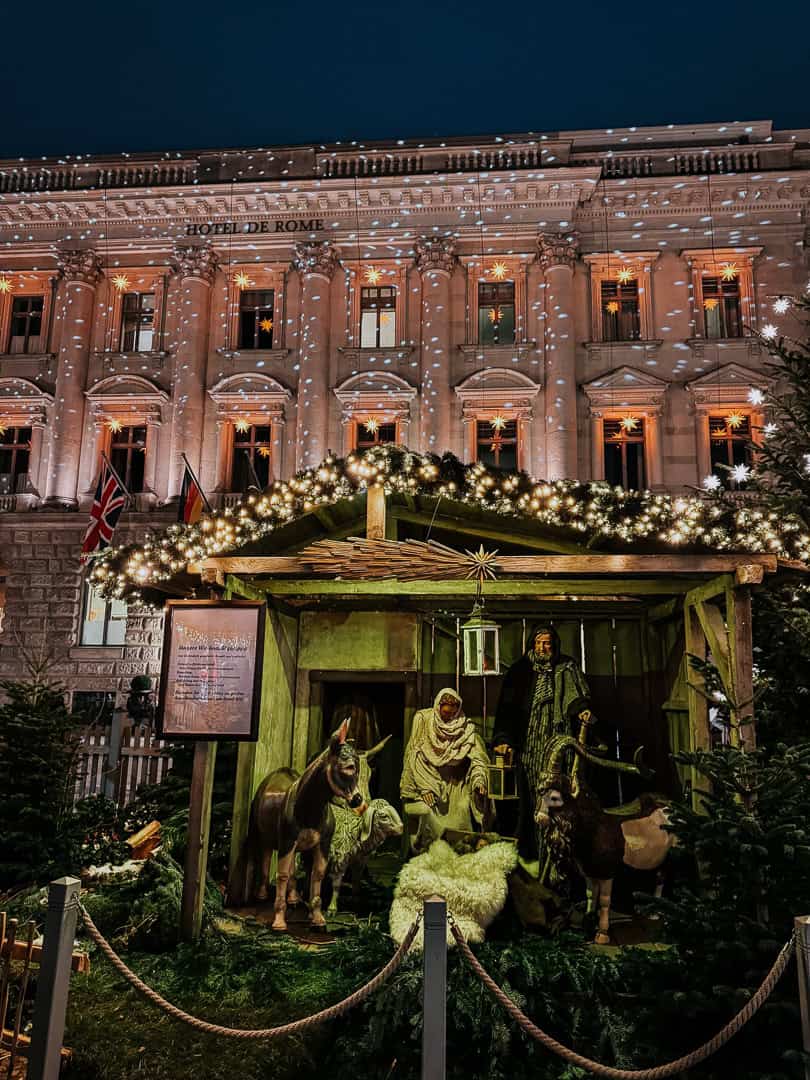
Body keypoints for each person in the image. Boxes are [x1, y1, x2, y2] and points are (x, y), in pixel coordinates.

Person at [493, 625, 593, 859]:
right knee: (531, 797)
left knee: (556, 794)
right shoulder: (520, 671)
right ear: (532, 644)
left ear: (554, 645)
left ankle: (557, 851)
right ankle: (532, 852)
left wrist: (582, 710)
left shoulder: (566, 667)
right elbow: (507, 708)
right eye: (538, 643)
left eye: (546, 643)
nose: (542, 648)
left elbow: (576, 695)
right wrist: (504, 739)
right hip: (529, 745)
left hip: (558, 745)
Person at [400, 687, 491, 852]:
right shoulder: (424, 722)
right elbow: (415, 757)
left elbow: (478, 760)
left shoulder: (465, 729)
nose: (448, 717)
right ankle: (432, 853)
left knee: (463, 808)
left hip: (456, 785)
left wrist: (479, 781)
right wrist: (425, 787)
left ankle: (460, 851)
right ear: (438, 708)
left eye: (451, 714)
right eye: (444, 714)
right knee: (430, 812)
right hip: (431, 783)